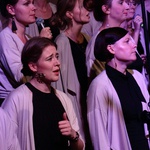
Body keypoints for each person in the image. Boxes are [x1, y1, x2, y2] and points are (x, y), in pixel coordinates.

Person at [2, 37, 84, 150]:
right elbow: (5, 143)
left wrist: (73, 135)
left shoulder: (63, 99)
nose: (57, 63)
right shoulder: (17, 99)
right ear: (33, 66)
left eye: (57, 56)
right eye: (50, 58)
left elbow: (80, 147)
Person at [87, 27, 150, 150]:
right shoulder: (100, 86)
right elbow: (99, 136)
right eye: (127, 41)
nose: (134, 45)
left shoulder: (137, 77)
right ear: (111, 48)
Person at [51, 0, 91, 147]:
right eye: (81, 7)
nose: (87, 9)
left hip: (88, 102)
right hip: (76, 105)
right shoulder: (62, 42)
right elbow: (60, 84)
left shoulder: (86, 38)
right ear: (69, 14)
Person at [0, 0, 52, 105]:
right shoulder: (5, 37)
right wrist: (39, 46)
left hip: (31, 98)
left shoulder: (28, 38)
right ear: (11, 9)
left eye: (33, 2)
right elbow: (19, 76)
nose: (33, 7)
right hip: (13, 103)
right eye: (26, 4)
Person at [86, 0, 129, 82]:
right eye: (120, 3)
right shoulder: (99, 42)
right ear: (106, 9)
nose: (127, 7)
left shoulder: (125, 37)